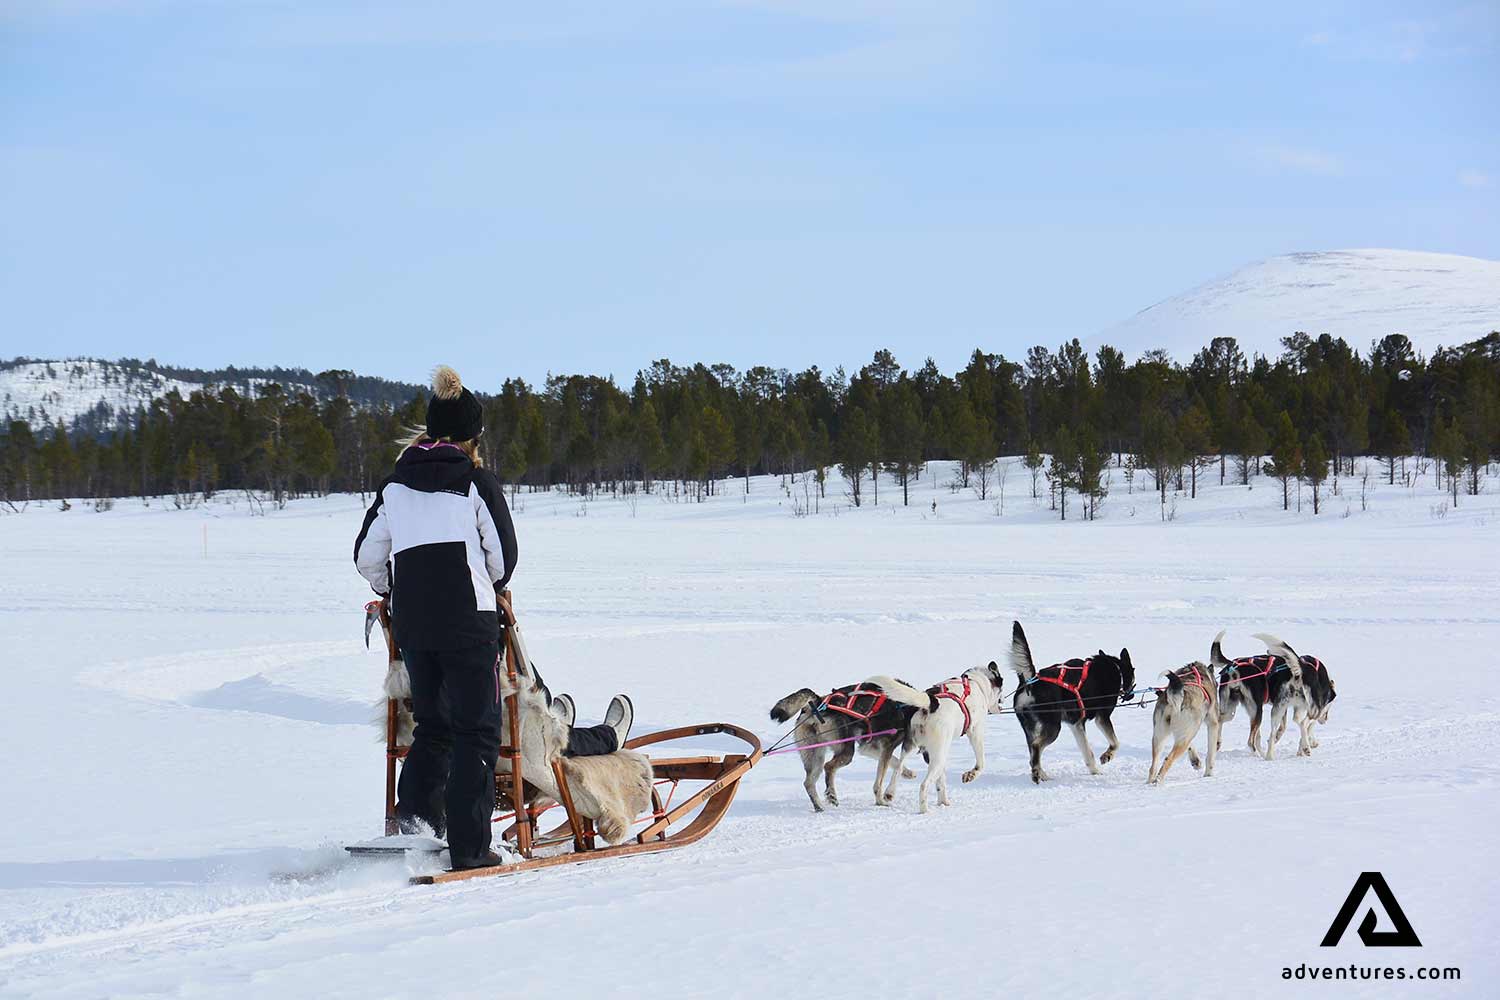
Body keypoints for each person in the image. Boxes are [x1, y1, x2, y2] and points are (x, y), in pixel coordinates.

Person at [354, 365, 632, 870]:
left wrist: (393, 590)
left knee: (431, 729)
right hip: (469, 626)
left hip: (415, 629)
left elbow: (368, 561)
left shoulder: (395, 486)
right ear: (471, 438)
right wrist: (484, 586)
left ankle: (414, 830)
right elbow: (503, 560)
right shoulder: (476, 482)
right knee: (476, 733)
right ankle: (469, 847)